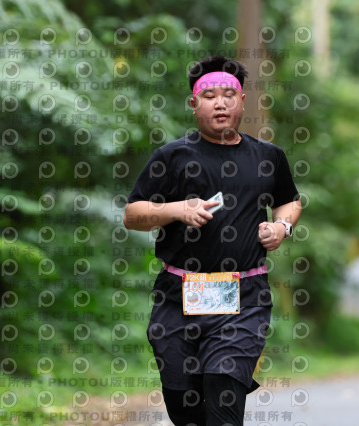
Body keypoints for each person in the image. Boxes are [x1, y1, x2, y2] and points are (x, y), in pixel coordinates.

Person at [123, 56, 302, 426]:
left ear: (242, 101)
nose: (220, 103)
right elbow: (133, 214)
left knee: (223, 395)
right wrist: (177, 209)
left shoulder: (268, 156)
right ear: (194, 104)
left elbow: (290, 201)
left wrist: (282, 227)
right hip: (178, 296)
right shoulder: (171, 157)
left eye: (228, 95)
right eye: (209, 96)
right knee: (184, 407)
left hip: (244, 297)